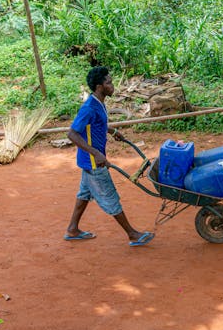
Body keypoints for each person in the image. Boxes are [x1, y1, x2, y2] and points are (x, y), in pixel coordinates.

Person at [64, 66, 155, 246]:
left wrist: (112, 131)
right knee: (110, 196)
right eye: (109, 83)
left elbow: (97, 125)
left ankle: (72, 229)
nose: (112, 86)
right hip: (93, 162)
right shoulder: (89, 108)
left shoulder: (99, 103)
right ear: (99, 86)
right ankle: (132, 234)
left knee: (84, 194)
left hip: (90, 160)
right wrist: (96, 153)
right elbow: (72, 134)